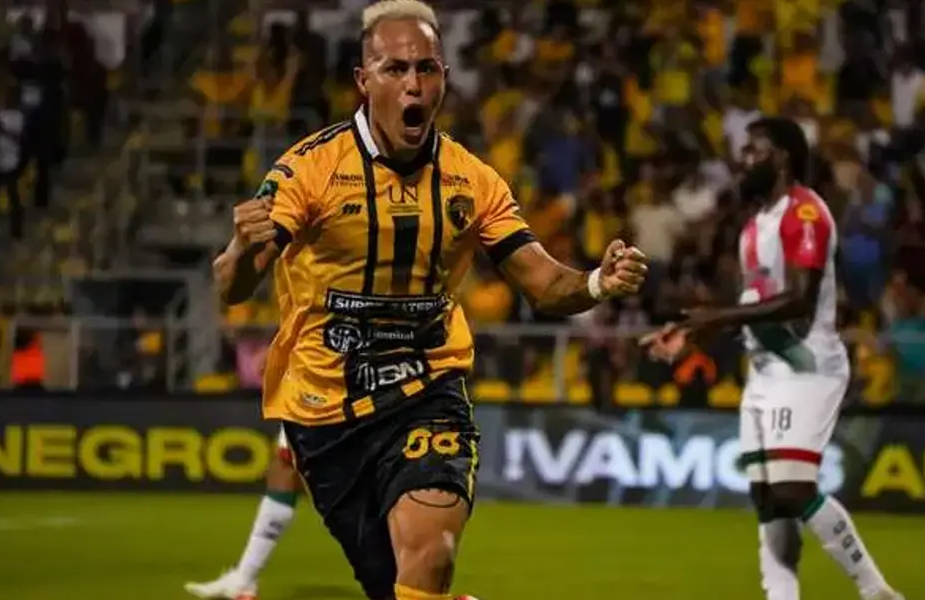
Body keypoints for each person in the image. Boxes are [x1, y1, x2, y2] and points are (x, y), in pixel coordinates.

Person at [210, 2, 648, 600]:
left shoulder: (474, 181)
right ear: (364, 82)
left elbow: (544, 282)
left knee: (432, 551)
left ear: (444, 76)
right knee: (396, 588)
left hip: (428, 392)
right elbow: (234, 286)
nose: (413, 85)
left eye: (427, 68)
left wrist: (597, 281)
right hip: (325, 411)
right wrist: (240, 247)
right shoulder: (309, 171)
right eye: (395, 69)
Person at [640, 116, 902, 600]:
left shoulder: (805, 213)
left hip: (807, 364)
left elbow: (799, 299)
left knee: (792, 490)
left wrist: (713, 316)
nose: (742, 161)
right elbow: (755, 305)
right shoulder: (753, 226)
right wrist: (693, 334)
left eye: (753, 151)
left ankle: (875, 590)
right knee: (766, 497)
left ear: (781, 156)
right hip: (764, 369)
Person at [184, 429, 300, 600]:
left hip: (318, 405)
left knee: (287, 464)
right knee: (285, 466)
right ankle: (244, 579)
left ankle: (243, 580)